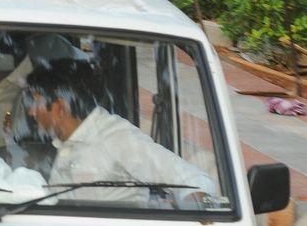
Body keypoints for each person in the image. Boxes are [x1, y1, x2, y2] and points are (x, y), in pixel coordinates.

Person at [22, 61, 218, 207]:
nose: (31, 112)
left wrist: (196, 208)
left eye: (36, 103)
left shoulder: (117, 138)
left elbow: (191, 180)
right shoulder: (65, 142)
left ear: (59, 108)